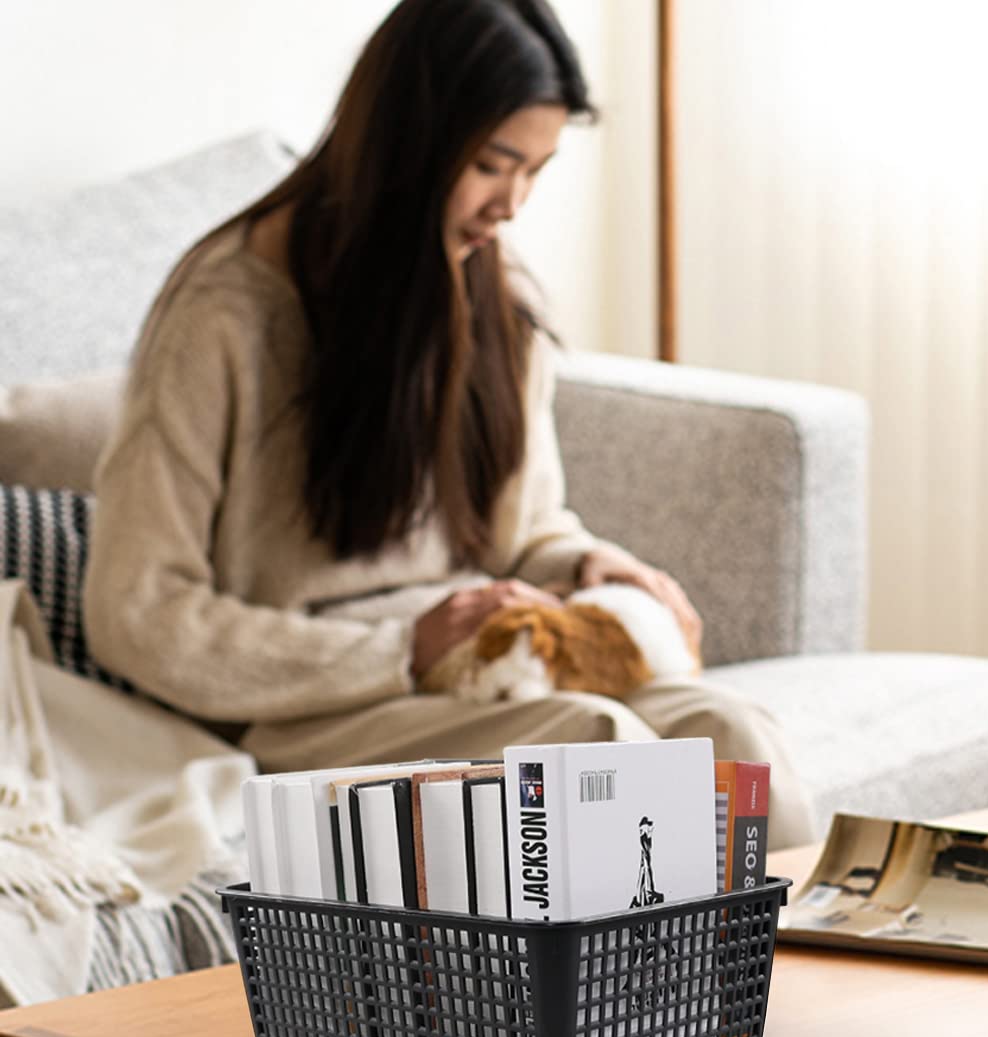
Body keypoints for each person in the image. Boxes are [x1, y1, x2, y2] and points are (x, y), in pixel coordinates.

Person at [82, 0, 815, 848]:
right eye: (494, 165)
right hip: (314, 706)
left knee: (737, 744)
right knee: (597, 749)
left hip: (492, 672)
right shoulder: (223, 315)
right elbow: (136, 610)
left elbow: (519, 537)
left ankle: (785, 984)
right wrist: (403, 650)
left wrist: (583, 562)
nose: (512, 204)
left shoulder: (500, 297)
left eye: (534, 170)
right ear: (407, 145)